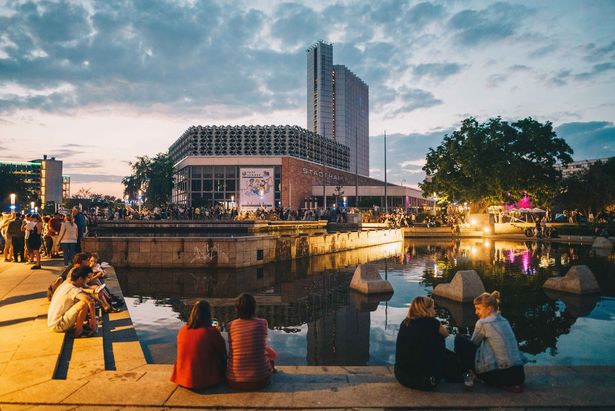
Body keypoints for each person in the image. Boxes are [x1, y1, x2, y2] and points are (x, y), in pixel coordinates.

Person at [455, 291, 525, 391]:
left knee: (460, 341)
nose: (476, 312)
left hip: (499, 377)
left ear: (489, 309)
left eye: (478, 309)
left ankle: (468, 375)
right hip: (519, 376)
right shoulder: (504, 320)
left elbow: (473, 343)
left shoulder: (483, 323)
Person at [394, 296, 449, 390]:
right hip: (427, 382)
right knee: (444, 347)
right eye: (433, 308)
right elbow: (446, 334)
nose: (435, 312)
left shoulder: (405, 323)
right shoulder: (433, 323)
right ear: (426, 309)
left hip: (402, 377)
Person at [171, 300, 227, 390]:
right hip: (206, 381)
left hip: (182, 380)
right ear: (208, 314)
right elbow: (222, 351)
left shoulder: (183, 330)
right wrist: (216, 332)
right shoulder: (211, 332)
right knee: (222, 358)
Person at [226, 293, 275, 390]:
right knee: (270, 359)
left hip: (234, 382)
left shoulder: (230, 325)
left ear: (237, 309)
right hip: (261, 381)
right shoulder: (262, 323)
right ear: (254, 308)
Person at [47, 265, 97, 337]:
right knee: (84, 303)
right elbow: (90, 302)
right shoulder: (72, 289)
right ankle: (78, 331)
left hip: (54, 322)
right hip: (57, 324)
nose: (88, 280)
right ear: (80, 279)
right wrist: (93, 320)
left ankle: (80, 327)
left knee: (84, 300)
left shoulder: (67, 284)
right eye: (87, 278)